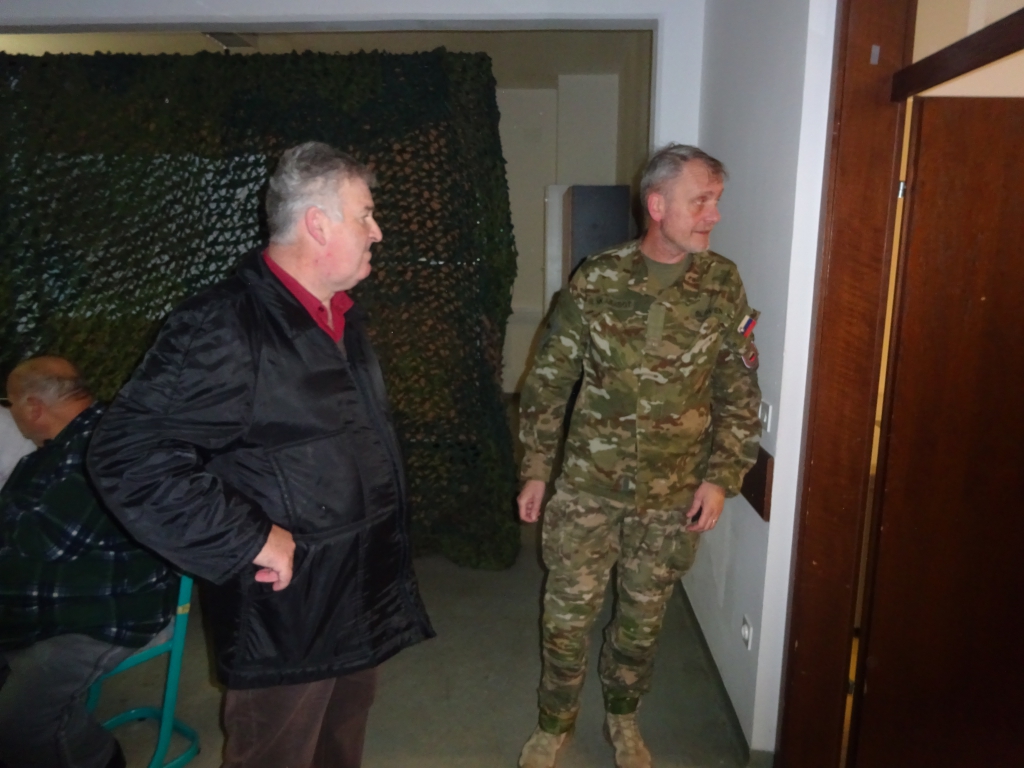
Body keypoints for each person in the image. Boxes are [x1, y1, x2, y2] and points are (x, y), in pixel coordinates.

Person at [86, 141, 434, 768]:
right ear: (318, 224)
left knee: (339, 749)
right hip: (287, 618)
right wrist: (246, 537)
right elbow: (128, 455)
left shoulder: (339, 316)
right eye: (365, 215)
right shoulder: (225, 325)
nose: (377, 232)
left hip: (357, 595)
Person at [516, 144, 762, 768]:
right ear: (657, 205)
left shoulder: (722, 284)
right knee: (566, 618)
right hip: (587, 489)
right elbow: (550, 379)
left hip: (670, 496)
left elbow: (738, 390)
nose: (713, 215)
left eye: (716, 201)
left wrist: (721, 479)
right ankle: (554, 722)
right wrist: (537, 470)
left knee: (641, 622)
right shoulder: (598, 279)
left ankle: (623, 718)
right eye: (700, 201)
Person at [0, 356, 176, 768]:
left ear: (33, 407)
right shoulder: (53, 451)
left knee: (15, 727)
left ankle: (101, 759)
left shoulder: (107, 444)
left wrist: (12, 522)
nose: (10, 415)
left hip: (106, 617)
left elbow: (48, 539)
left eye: (10, 403)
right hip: (60, 607)